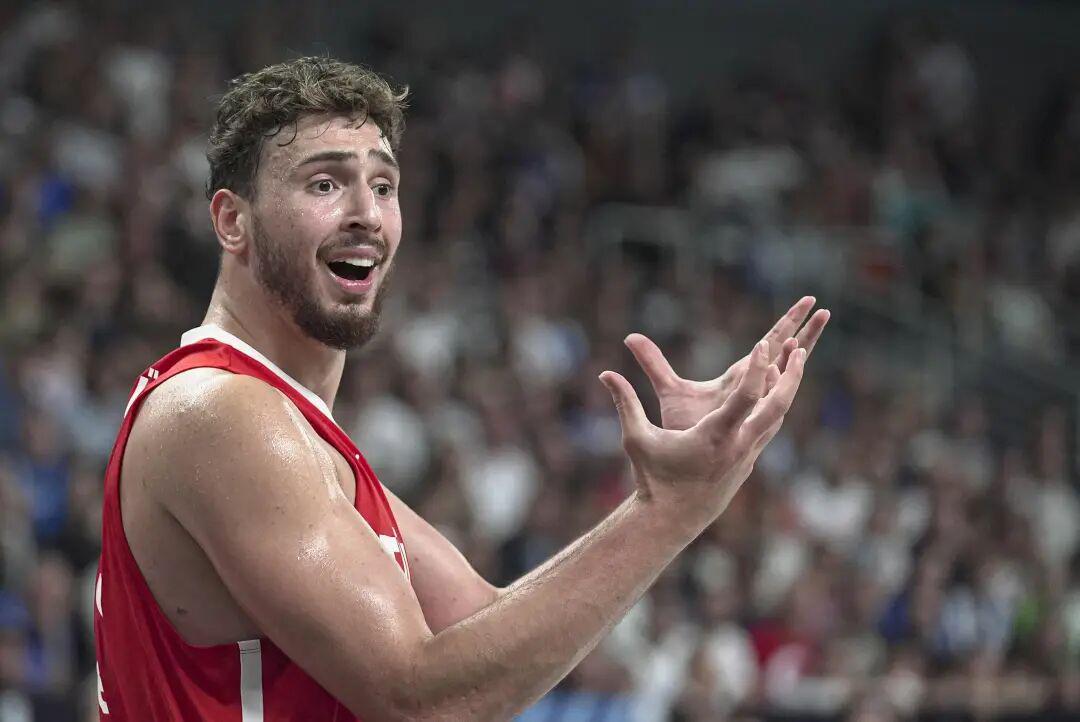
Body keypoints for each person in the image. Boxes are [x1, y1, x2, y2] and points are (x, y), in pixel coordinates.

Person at [92, 56, 830, 721]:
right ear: (233, 221)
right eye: (325, 183)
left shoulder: (298, 435)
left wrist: (684, 493)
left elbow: (485, 640)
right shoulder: (220, 411)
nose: (366, 214)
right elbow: (422, 698)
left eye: (383, 185)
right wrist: (667, 509)